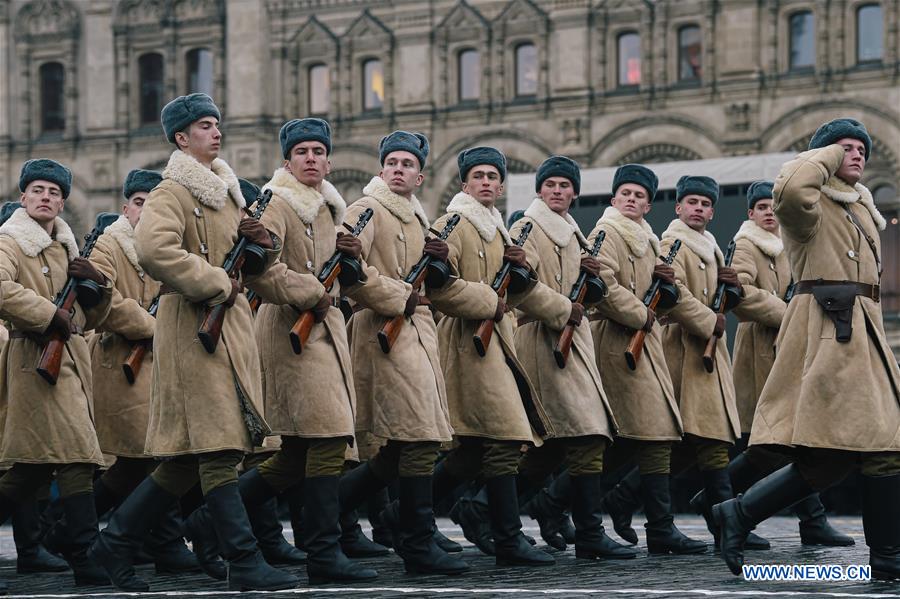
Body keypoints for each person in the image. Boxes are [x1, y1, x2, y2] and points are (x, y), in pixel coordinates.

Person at [89, 93, 296, 592]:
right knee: (219, 448)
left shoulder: (228, 194)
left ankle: (110, 547)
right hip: (194, 330)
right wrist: (218, 282)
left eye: (217, 123)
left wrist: (263, 249)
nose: (216, 131)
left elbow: (246, 263)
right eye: (205, 126)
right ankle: (243, 560)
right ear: (182, 138)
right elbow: (155, 251)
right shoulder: (172, 191)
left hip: (229, 330)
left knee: (188, 458)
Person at [186, 117, 377, 585]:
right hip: (291, 332)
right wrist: (308, 289)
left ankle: (208, 522)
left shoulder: (330, 207)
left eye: (318, 152)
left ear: (329, 161)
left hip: (323, 331)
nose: (311, 159)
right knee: (329, 439)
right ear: (287, 160)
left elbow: (339, 274)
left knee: (294, 453)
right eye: (301, 153)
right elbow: (256, 267)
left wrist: (353, 260)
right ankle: (324, 552)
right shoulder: (275, 201)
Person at [714, 118, 900, 580]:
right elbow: (794, 187)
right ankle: (888, 557)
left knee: (832, 457)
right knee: (885, 446)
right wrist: (828, 152)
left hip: (860, 332)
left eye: (862, 148)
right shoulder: (808, 209)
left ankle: (737, 512)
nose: (856, 154)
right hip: (830, 333)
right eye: (845, 148)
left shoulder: (857, 208)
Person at [689, 180, 852, 548]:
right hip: (762, 348)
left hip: (789, 349)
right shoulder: (747, 243)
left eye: (771, 207)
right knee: (786, 438)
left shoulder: (790, 243)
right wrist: (792, 314)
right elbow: (739, 295)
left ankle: (715, 500)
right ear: (750, 213)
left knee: (778, 443)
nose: (767, 213)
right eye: (760, 207)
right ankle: (810, 520)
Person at [336, 130, 467, 575]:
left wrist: (443, 261)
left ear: (420, 176)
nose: (398, 169)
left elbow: (432, 282)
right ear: (381, 170)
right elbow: (351, 271)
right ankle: (415, 540)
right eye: (391, 162)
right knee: (419, 437)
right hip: (384, 335)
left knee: (403, 446)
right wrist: (398, 297)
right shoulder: (366, 209)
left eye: (407, 164)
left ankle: (331, 512)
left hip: (418, 334)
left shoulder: (417, 217)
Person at [425, 146, 555, 567]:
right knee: (504, 439)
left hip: (497, 343)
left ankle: (405, 516)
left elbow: (514, 293)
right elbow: (439, 288)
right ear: (464, 184)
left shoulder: (500, 229)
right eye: (477, 176)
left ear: (501, 186)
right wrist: (488, 301)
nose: (485, 182)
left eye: (492, 177)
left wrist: (524, 271)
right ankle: (507, 538)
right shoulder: (451, 223)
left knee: (473, 449)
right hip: (467, 345)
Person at [0, 159, 113, 590]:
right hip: (34, 361)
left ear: (63, 202)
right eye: (38, 190)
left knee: (29, 470)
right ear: (24, 197)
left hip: (71, 362)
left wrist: (97, 283)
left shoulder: (68, 248)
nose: (46, 198)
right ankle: (85, 554)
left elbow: (93, 315)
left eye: (54, 193)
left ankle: (82, 550)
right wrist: (49, 314)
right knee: (77, 458)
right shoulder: (10, 240)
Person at [658, 175, 742, 546]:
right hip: (683, 348)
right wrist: (710, 320)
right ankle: (727, 523)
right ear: (678, 208)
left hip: (708, 352)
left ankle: (725, 522)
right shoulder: (672, 242)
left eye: (706, 204)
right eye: (692, 202)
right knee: (696, 440)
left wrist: (732, 292)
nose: (699, 209)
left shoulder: (710, 246)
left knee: (706, 440)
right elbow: (671, 293)